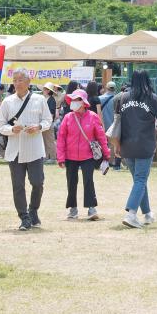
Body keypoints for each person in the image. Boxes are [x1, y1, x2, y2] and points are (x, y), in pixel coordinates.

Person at [0, 68, 53, 231]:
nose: (17, 83)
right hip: (15, 149)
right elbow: (0, 124)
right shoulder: (7, 102)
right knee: (18, 185)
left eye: (20, 79)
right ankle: (24, 217)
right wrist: (10, 130)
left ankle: (33, 210)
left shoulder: (39, 99)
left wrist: (39, 127)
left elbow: (48, 120)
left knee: (37, 182)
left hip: (34, 148)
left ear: (28, 82)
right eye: (14, 80)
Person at [116, 70, 157, 228]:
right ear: (148, 80)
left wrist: (117, 145)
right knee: (140, 180)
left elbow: (117, 121)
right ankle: (131, 214)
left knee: (139, 180)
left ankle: (147, 214)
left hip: (126, 144)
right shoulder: (152, 98)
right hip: (145, 144)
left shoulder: (123, 97)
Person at [56, 88, 109, 221]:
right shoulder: (68, 117)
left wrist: (106, 154)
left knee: (88, 181)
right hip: (70, 156)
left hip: (88, 156)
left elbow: (101, 136)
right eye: (72, 99)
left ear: (83, 102)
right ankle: (72, 209)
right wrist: (60, 157)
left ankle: (91, 208)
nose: (74, 102)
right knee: (71, 182)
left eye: (77, 99)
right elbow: (61, 138)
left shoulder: (93, 117)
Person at [41, 82, 61, 163]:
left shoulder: (51, 100)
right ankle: (46, 157)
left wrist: (48, 122)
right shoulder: (45, 99)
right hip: (44, 123)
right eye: (44, 89)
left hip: (48, 123)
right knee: (45, 141)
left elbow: (51, 113)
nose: (44, 90)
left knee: (50, 141)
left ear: (49, 91)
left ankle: (53, 157)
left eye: (45, 89)